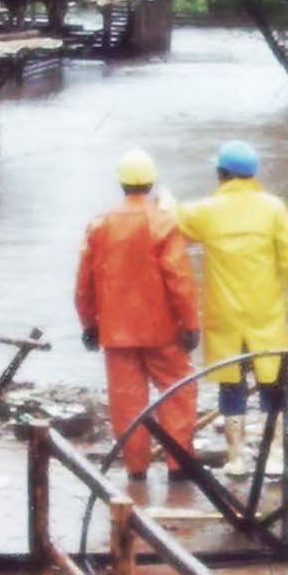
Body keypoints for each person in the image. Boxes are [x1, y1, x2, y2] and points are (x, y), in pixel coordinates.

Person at [176, 140, 288, 477]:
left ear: (221, 174)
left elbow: (171, 220)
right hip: (265, 313)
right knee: (272, 381)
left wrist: (162, 198)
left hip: (224, 314)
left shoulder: (206, 212)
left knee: (231, 382)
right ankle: (275, 456)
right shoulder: (273, 208)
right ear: (253, 174)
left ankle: (236, 457)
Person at [74, 149, 201, 483]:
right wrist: (190, 323)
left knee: (127, 403)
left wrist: (89, 324)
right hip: (163, 331)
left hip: (116, 333)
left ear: (121, 183)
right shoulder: (163, 222)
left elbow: (85, 282)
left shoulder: (99, 224)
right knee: (177, 394)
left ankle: (136, 470)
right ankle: (178, 466)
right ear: (151, 182)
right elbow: (179, 279)